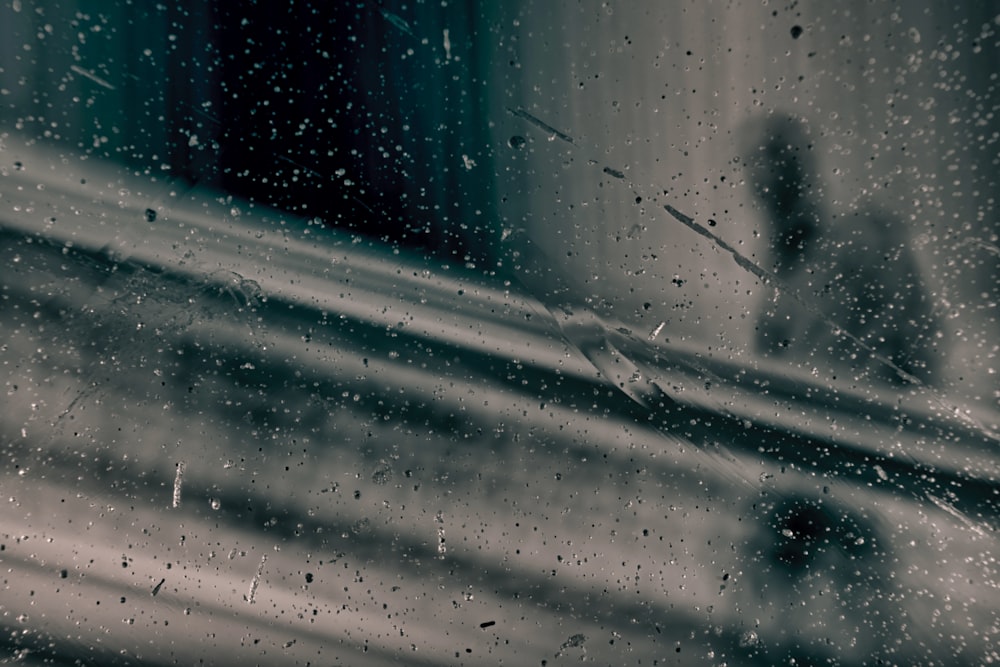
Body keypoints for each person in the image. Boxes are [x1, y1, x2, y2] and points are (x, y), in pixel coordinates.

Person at [746, 114, 940, 386]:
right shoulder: (780, 281)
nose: (760, 174)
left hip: (865, 410)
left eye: (777, 159)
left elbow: (920, 339)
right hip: (819, 408)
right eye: (754, 164)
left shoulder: (869, 238)